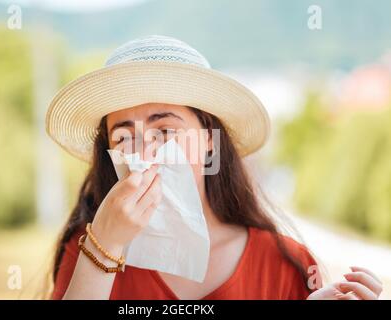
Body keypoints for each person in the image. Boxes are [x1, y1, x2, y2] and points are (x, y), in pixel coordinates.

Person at [45, 35, 382, 300]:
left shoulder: (285, 262)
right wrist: (104, 247)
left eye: (164, 131)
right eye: (123, 137)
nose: (144, 153)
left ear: (209, 139)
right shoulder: (88, 250)